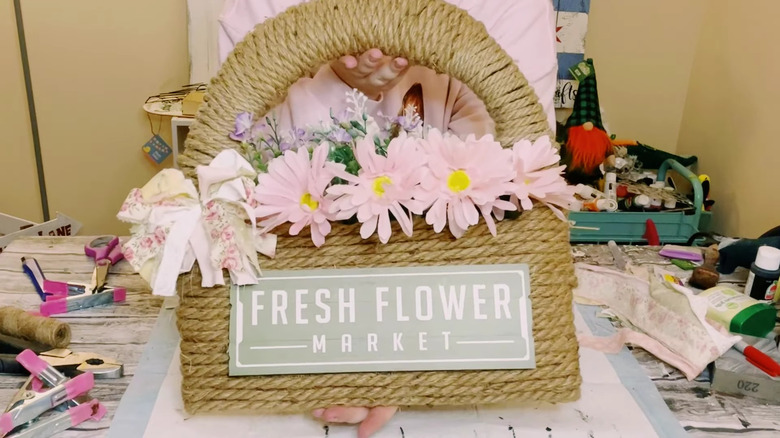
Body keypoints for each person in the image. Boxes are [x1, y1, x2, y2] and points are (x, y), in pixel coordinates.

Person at [217, 1, 558, 436]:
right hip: (294, 303)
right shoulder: (256, 7)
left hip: (453, 300)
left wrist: (408, 344)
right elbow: (241, 162)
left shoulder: (513, 7)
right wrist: (334, 82)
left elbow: (513, 166)